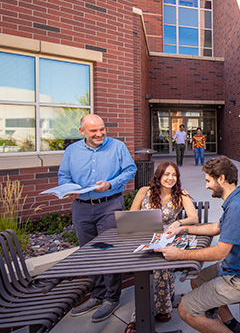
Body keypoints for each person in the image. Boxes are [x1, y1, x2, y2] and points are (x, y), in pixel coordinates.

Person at [158, 156, 240, 333]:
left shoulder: (237, 208)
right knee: (197, 280)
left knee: (185, 309)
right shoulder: (236, 199)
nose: (206, 186)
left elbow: (220, 252)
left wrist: (180, 254)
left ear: (221, 179)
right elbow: (215, 227)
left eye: (208, 181)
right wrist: (183, 229)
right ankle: (232, 325)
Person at [58, 114, 137, 322]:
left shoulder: (117, 147)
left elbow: (131, 170)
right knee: (89, 253)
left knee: (108, 251)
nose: (100, 134)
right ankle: (97, 294)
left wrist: (111, 183)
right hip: (81, 208)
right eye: (94, 131)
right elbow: (64, 176)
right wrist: (69, 189)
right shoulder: (71, 151)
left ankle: (112, 297)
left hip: (109, 204)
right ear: (82, 131)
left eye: (102, 129)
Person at [123, 162, 199, 333]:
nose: (170, 178)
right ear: (159, 176)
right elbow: (130, 215)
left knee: (159, 267)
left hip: (166, 240)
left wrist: (179, 221)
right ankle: (161, 308)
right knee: (149, 268)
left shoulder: (181, 194)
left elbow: (193, 217)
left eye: (174, 175)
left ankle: (139, 317)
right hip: (143, 239)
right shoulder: (144, 192)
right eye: (166, 174)